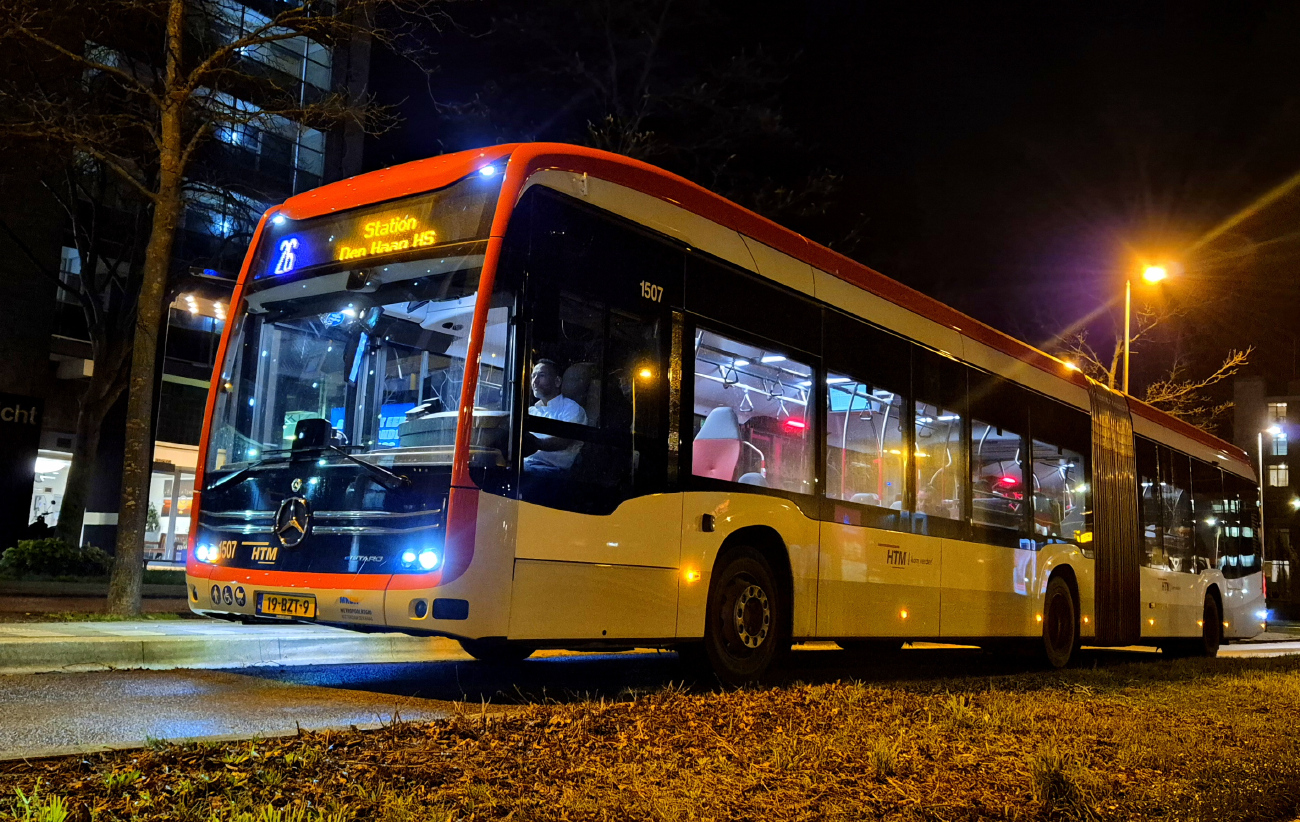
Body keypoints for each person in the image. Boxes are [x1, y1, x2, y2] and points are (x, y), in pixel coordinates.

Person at [523, 359, 587, 479]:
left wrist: (535, 443)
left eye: (541, 375)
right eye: (533, 376)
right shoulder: (530, 411)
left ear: (557, 381)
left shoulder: (571, 408)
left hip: (553, 472)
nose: (534, 382)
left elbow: (564, 441)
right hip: (526, 465)